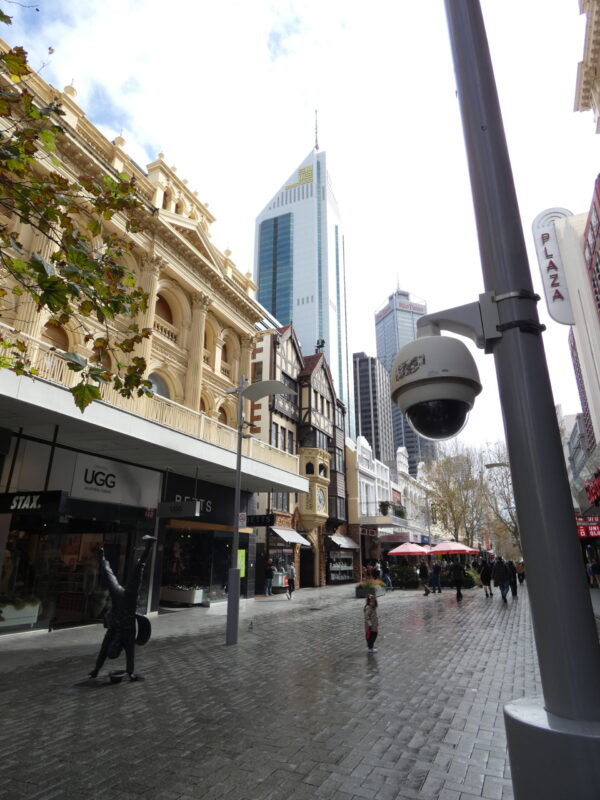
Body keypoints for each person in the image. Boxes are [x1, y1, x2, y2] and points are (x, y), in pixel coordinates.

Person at [89, 535, 155, 681]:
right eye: (114, 648)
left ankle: (102, 556)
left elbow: (102, 652)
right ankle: (150, 544)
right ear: (118, 648)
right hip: (129, 601)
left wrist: (96, 669)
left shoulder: (111, 634)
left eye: (111, 647)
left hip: (119, 598)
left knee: (108, 575)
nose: (112, 645)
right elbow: (130, 654)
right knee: (138, 571)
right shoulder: (127, 637)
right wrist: (131, 673)